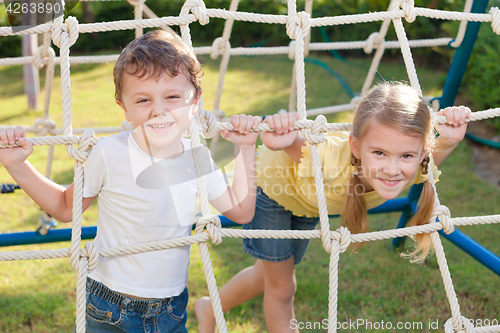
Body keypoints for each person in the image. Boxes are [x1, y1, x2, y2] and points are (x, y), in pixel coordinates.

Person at [0, 30, 262, 333]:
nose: (159, 110)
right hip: (106, 304)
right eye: (142, 99)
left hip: (169, 308)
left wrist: (245, 148)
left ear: (196, 101)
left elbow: (242, 211)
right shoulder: (109, 153)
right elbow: (63, 208)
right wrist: (17, 165)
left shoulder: (196, 158)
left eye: (173, 97)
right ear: (123, 106)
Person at [195, 82, 471, 333]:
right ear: (355, 146)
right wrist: (285, 138)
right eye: (379, 153)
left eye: (406, 155)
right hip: (273, 192)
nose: (392, 169)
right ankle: (210, 310)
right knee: (282, 288)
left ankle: (210, 308)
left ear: (421, 153)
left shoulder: (414, 167)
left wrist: (449, 139)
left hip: (309, 204)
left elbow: (432, 161)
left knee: (264, 276)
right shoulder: (331, 159)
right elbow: (300, 145)